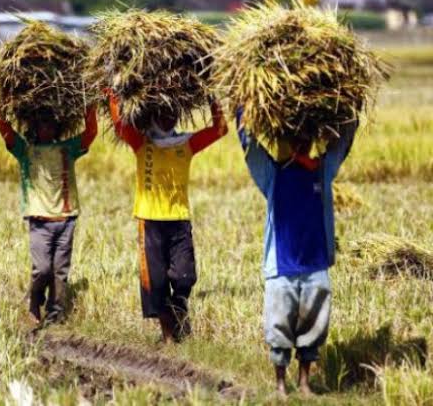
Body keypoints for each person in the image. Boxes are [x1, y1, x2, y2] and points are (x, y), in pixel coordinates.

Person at [236, 108, 357, 396]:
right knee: (279, 328)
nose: (300, 143)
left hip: (315, 265)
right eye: (295, 138)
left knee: (314, 327)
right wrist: (241, 109)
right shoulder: (273, 175)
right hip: (281, 266)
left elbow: (344, 141)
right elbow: (249, 144)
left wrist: (352, 107)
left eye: (305, 138)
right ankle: (280, 384)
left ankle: (304, 383)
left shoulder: (321, 170)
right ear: (285, 142)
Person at [108, 91, 228, 343]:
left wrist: (211, 97)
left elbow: (220, 130)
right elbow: (120, 125)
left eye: (173, 113)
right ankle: (168, 337)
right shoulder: (142, 143)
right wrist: (114, 95)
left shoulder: (186, 144)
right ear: (152, 115)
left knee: (185, 276)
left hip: (179, 218)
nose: (169, 118)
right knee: (158, 281)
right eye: (163, 113)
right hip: (149, 219)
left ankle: (179, 308)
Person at [0, 108, 98, 325]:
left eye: (50, 124)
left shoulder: (67, 149)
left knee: (60, 271)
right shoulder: (25, 150)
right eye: (42, 124)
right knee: (42, 269)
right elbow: (5, 130)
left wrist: (90, 108)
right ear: (34, 127)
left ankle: (55, 314)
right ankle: (35, 300)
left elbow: (90, 133)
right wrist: (1, 106)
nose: (46, 128)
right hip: (39, 221)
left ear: (57, 128)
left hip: (66, 218)